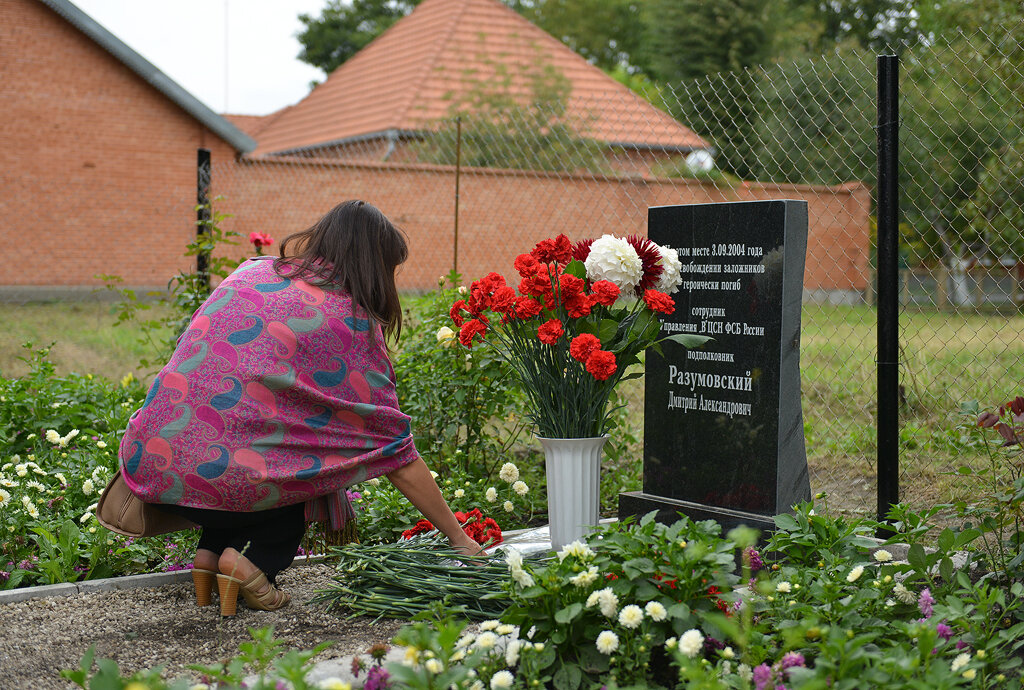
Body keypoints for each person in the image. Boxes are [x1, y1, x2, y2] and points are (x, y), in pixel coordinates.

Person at [118, 200, 480, 616]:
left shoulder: (253, 269)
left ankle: (209, 557)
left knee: (243, 439)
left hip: (155, 463)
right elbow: (393, 448)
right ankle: (251, 563)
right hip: (220, 482)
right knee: (295, 472)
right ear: (374, 264)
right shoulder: (350, 318)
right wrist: (459, 540)